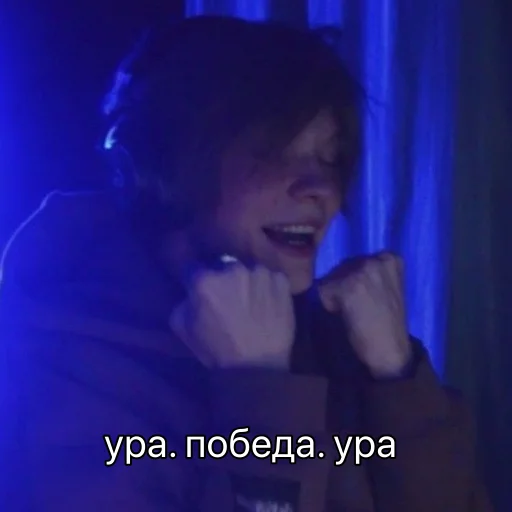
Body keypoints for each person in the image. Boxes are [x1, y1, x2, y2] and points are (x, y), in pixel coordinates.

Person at [0, 15, 491, 512]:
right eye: (276, 153)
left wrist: (397, 377)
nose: (320, 189)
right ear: (166, 165)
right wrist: (261, 387)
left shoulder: (331, 339)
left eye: (330, 158)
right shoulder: (61, 373)